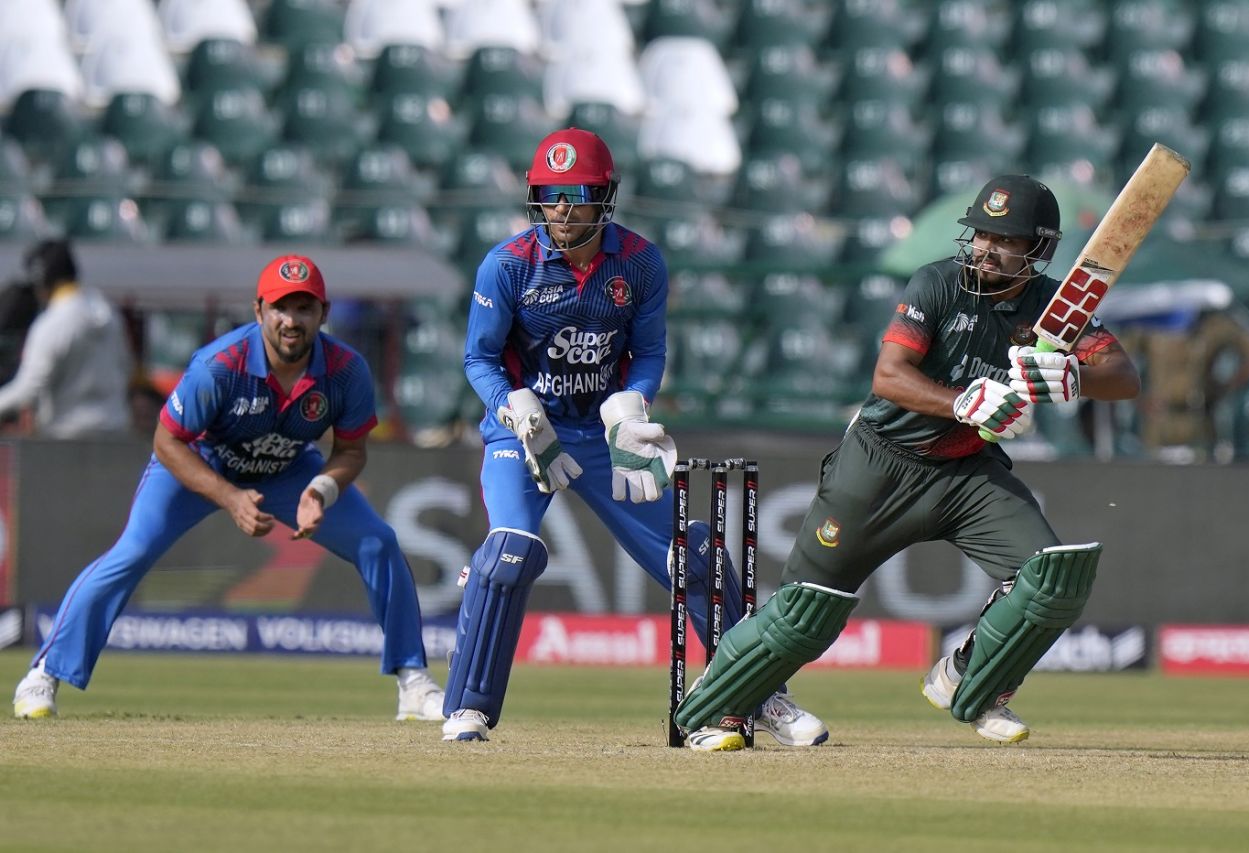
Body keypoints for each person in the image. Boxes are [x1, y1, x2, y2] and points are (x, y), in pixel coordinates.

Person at [674, 175, 1142, 746]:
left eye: (1005, 240)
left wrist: (1074, 378)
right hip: (880, 464)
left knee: (1053, 579)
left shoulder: (1053, 308)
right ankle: (711, 713)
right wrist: (962, 402)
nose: (986, 248)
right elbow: (889, 377)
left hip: (964, 474)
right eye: (982, 234)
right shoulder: (938, 283)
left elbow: (1125, 377)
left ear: (1037, 248)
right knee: (806, 611)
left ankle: (973, 681)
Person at [443, 127, 826, 749]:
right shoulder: (507, 264)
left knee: (694, 556)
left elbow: (648, 352)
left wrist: (630, 407)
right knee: (508, 553)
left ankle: (757, 695)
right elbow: (479, 358)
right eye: (549, 194)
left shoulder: (640, 262)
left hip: (601, 433)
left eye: (576, 195)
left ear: (604, 197)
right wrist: (510, 405)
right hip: (526, 430)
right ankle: (468, 709)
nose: (561, 209)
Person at [13, 254, 444, 722]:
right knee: (132, 553)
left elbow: (351, 451)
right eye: (280, 308)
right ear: (258, 311)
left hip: (288, 468)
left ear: (323, 313)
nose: (291, 320)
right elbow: (167, 441)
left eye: (304, 308)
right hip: (201, 461)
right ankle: (43, 674)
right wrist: (229, 496)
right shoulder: (219, 365)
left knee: (379, 542)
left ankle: (413, 683)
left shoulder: (346, 370)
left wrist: (321, 490)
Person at [0, 239, 131, 437]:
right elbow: (126, 366)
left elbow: (29, 389)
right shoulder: (108, 312)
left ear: (41, 280)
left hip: (66, 436)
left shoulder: (52, 323)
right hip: (114, 430)